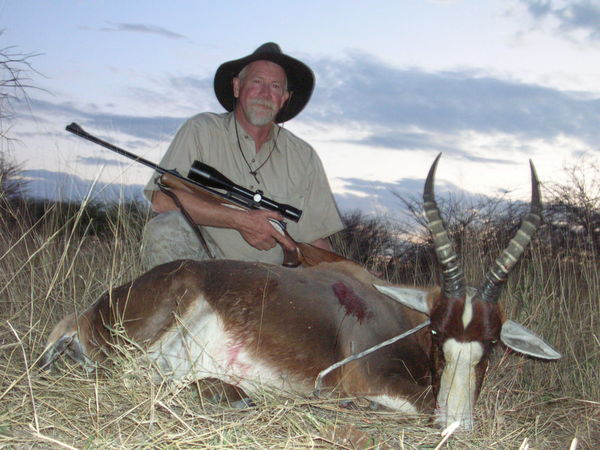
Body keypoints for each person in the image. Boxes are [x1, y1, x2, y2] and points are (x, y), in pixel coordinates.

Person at [141, 42, 343, 269]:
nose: (265, 94)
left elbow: (316, 240)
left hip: (279, 281)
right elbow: (162, 200)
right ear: (237, 87)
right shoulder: (201, 130)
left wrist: (350, 277)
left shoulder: (304, 156)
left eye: (275, 86)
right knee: (165, 228)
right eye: (257, 82)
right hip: (208, 273)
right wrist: (239, 220)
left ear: (284, 97)